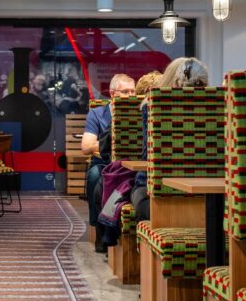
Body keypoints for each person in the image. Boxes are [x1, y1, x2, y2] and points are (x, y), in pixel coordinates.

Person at [133, 58, 209, 221]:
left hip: (152, 187)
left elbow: (148, 156)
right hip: (206, 193)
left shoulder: (153, 106)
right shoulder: (213, 106)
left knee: (142, 204)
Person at [81, 73, 135, 253]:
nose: (130, 96)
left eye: (133, 91)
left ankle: (112, 229)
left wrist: (102, 143)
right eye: (125, 92)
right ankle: (98, 227)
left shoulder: (139, 113)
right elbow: (87, 146)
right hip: (104, 163)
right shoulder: (98, 114)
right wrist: (110, 145)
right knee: (96, 175)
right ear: (113, 94)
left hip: (129, 164)